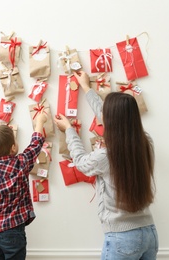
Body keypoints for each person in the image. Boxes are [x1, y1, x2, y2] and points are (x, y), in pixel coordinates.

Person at [54, 70, 158, 260]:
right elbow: (109, 115)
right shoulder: (145, 143)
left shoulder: (107, 156)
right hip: (149, 234)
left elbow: (81, 162)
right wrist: (86, 87)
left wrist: (69, 130)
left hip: (123, 238)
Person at [0, 111, 47, 260]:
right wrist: (40, 121)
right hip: (13, 233)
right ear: (13, 147)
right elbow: (35, 145)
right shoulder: (21, 163)